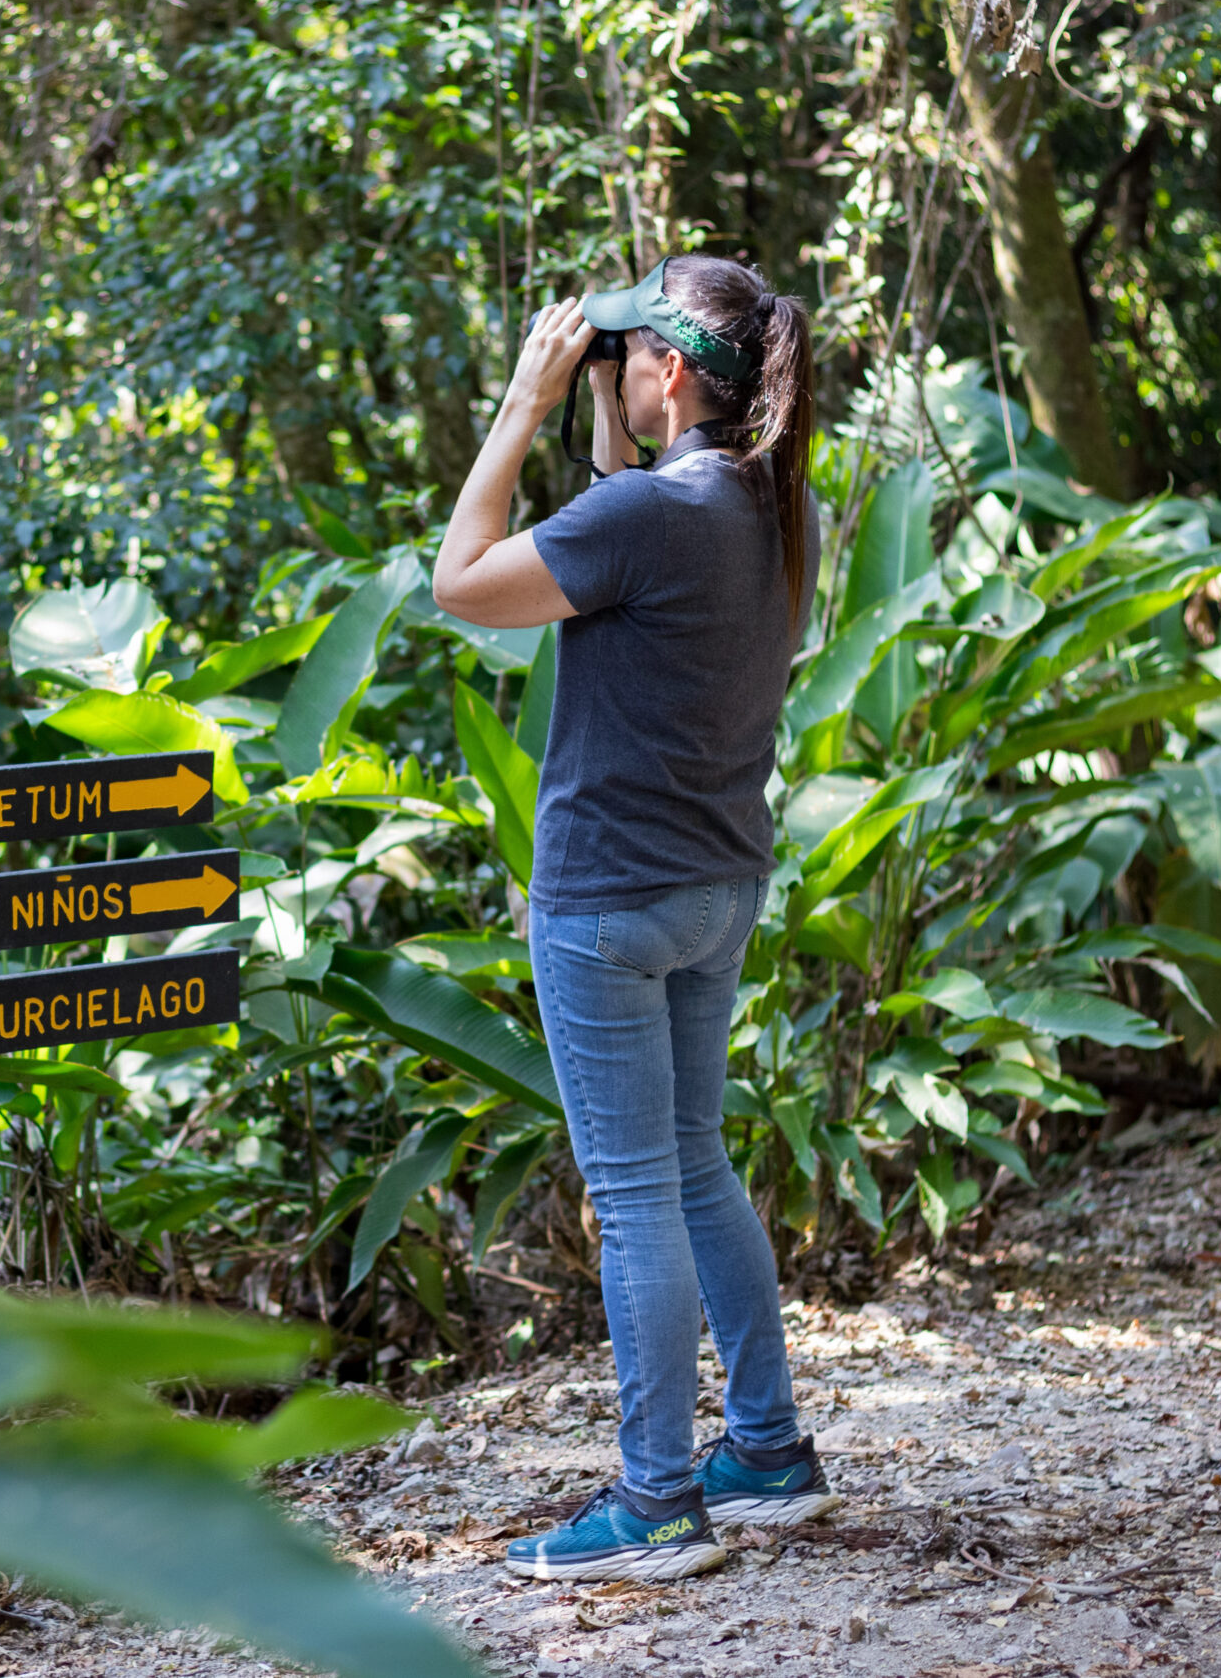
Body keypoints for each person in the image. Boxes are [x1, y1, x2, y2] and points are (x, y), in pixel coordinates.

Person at [431, 255, 834, 1583]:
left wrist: (523, 403)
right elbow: (628, 523)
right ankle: (766, 1451)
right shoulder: (769, 501)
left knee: (638, 1193)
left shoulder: (651, 519)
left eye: (628, 356)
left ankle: (659, 1499)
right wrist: (611, 412)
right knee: (695, 1164)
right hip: (716, 885)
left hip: (607, 899)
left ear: (669, 372)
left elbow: (466, 582)